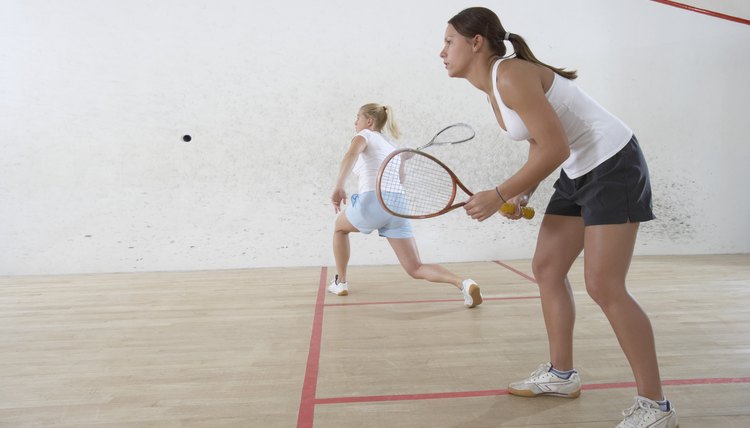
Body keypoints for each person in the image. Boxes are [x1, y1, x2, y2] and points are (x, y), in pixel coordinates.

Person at [440, 7, 677, 428]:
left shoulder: (510, 74)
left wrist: (500, 194)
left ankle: (655, 407)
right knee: (547, 268)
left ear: (476, 42)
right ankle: (561, 375)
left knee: (604, 285)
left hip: (613, 162)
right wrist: (524, 190)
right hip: (579, 169)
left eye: (448, 42)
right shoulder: (493, 87)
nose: (441, 52)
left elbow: (556, 148)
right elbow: (541, 142)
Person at [329, 103, 482, 308]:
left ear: (369, 121)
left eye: (358, 117)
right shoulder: (391, 146)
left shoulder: (364, 135)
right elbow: (399, 180)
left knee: (339, 229)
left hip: (374, 201)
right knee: (415, 267)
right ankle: (463, 283)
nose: (355, 121)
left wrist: (339, 185)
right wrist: (402, 160)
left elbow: (351, 154)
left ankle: (341, 282)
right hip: (398, 206)